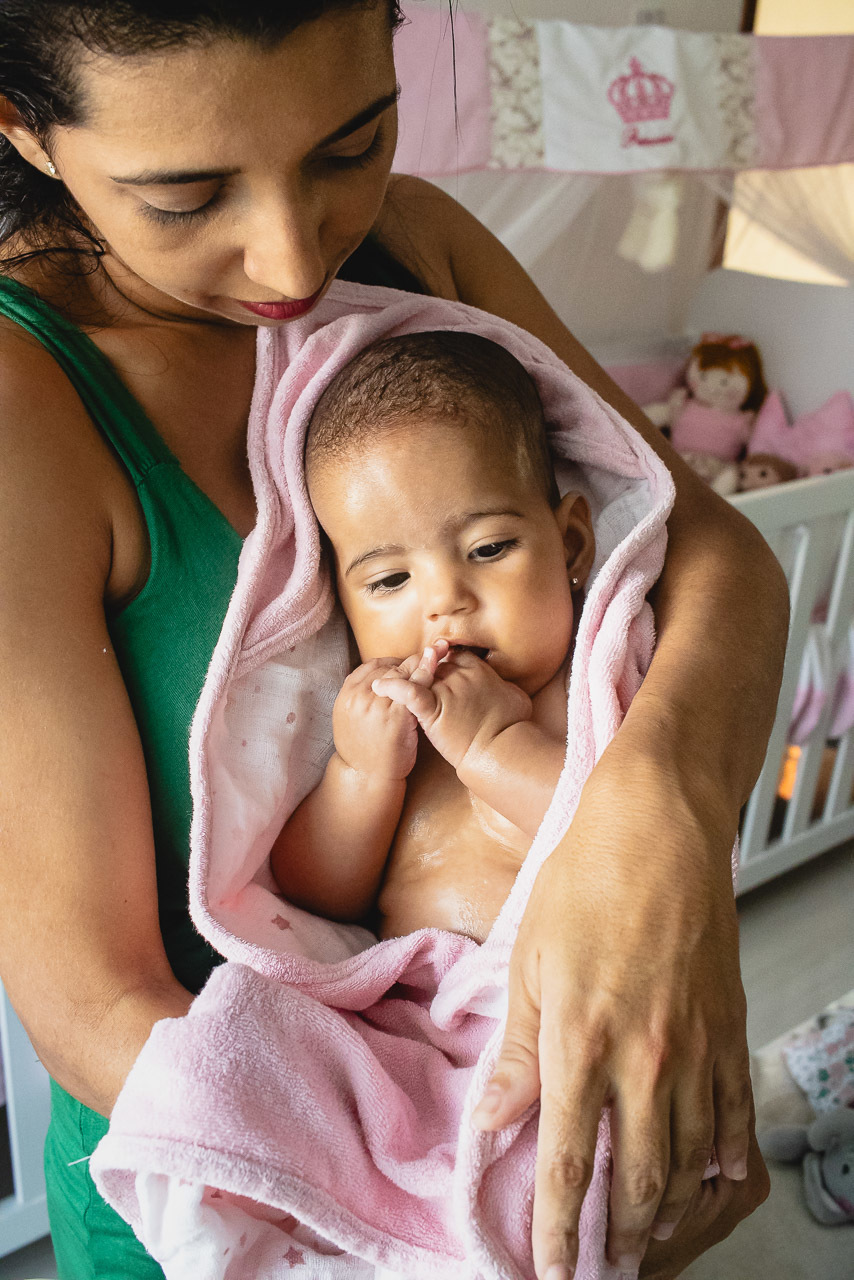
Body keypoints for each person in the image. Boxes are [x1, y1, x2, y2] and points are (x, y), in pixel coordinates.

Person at [0, 2, 783, 1278]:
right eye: (187, 196)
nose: (294, 260)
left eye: (349, 143)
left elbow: (706, 551)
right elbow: (94, 999)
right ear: (24, 128)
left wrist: (652, 821)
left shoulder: (423, 245)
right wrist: (420, 1218)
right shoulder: (26, 399)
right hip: (259, 1174)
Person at [272, 330, 598, 944]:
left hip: (536, 1002)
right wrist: (361, 773)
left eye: (489, 548)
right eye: (391, 580)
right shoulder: (395, 733)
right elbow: (316, 896)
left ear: (571, 546)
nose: (445, 600)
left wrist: (492, 744)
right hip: (411, 1006)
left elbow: (628, 836)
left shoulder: (588, 687)